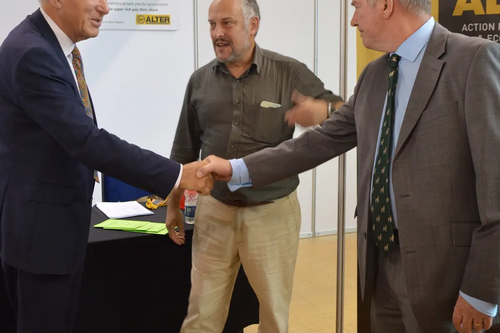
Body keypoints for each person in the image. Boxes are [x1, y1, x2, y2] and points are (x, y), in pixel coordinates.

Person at [197, 0, 500, 332]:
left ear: (385, 5)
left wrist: (482, 291)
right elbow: (320, 141)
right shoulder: (375, 74)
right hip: (379, 263)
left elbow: (496, 183)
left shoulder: (473, 60)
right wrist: (237, 168)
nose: (353, 21)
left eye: (357, 7)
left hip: (447, 273)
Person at [0, 1, 213, 332]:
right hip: (41, 239)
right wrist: (177, 174)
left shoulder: (54, 48)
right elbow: (86, 139)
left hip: (54, 231)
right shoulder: (32, 52)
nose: (105, 7)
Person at [165, 0, 343, 331]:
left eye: (226, 24)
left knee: (274, 313)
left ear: (253, 25)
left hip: (272, 213)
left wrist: (323, 112)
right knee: (201, 315)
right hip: (214, 212)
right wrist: (173, 204)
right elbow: (184, 150)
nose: (217, 33)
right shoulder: (199, 81)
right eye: (211, 24)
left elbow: (344, 111)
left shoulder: (289, 72)